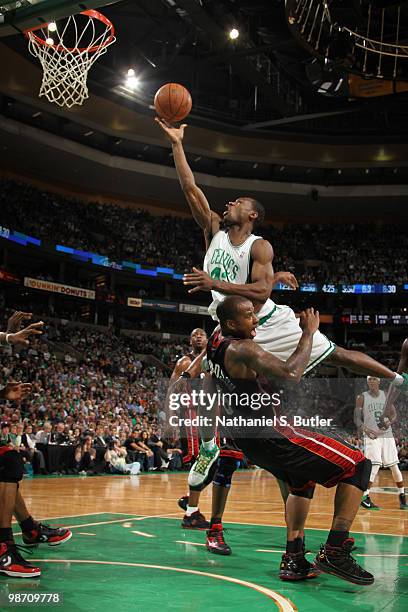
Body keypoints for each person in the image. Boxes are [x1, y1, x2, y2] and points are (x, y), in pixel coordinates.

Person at [155, 117, 408, 488]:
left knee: (335, 353)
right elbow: (190, 187)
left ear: (252, 215)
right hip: (229, 324)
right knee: (210, 377)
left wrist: (216, 281)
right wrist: (177, 145)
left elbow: (260, 294)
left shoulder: (259, 245)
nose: (229, 203)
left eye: (238, 202)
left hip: (266, 322)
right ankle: (209, 446)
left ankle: (398, 378)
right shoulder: (214, 230)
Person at [202, 295, 376, 585]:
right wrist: (308, 332)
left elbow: (210, 380)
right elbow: (292, 373)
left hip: (247, 438)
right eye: (249, 316)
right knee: (359, 465)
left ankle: (294, 559)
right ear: (231, 323)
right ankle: (335, 550)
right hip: (272, 433)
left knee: (301, 482)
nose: (256, 319)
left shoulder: (215, 340)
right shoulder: (243, 348)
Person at [355, 376, 408, 510]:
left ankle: (402, 497)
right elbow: (356, 418)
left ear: (379, 381)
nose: (372, 381)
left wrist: (389, 422)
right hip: (372, 436)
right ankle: (365, 497)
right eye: (370, 379)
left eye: (374, 379)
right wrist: (366, 430)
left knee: (395, 466)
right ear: (367, 382)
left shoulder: (385, 395)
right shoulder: (362, 397)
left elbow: (394, 414)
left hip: (387, 435)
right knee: (374, 465)